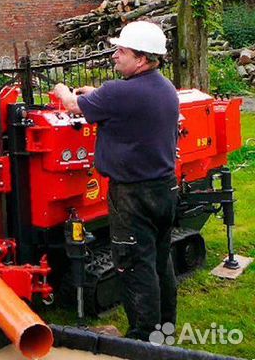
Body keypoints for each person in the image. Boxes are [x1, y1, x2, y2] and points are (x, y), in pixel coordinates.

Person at [52, 21, 179, 341]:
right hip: (164, 190)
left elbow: (70, 105)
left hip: (132, 196)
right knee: (159, 263)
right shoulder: (163, 87)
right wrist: (96, 94)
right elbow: (118, 99)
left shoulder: (119, 93)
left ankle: (143, 339)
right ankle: (166, 328)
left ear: (141, 59)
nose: (114, 56)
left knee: (135, 266)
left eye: (121, 51)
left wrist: (63, 91)